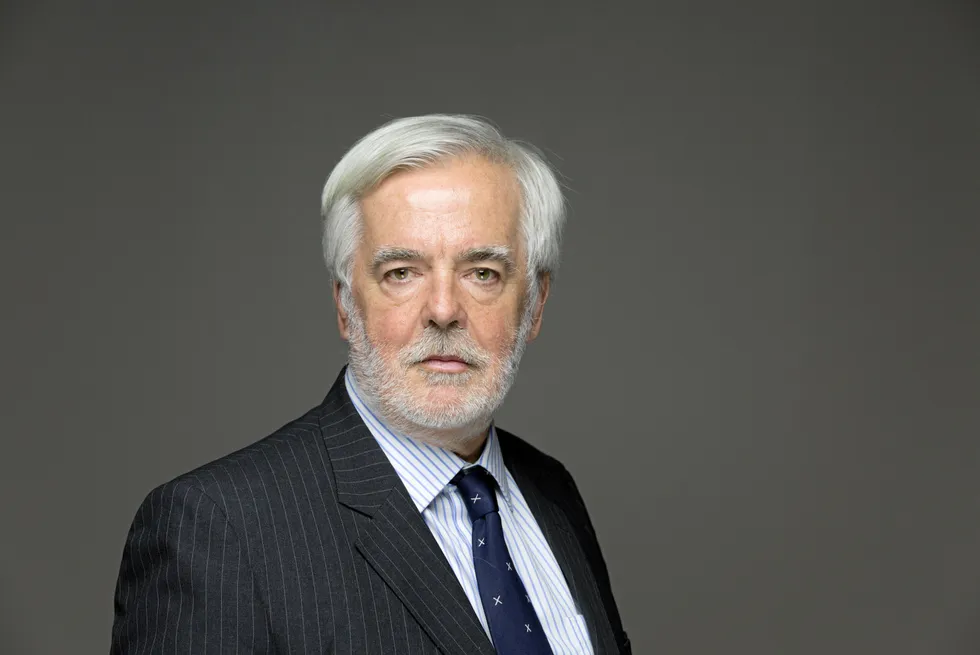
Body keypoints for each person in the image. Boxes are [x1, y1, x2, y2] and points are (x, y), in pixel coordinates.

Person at [109, 114, 631, 654]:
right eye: (401, 272)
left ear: (535, 304)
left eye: (483, 273)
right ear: (345, 304)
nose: (443, 310)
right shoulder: (218, 531)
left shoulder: (551, 491)